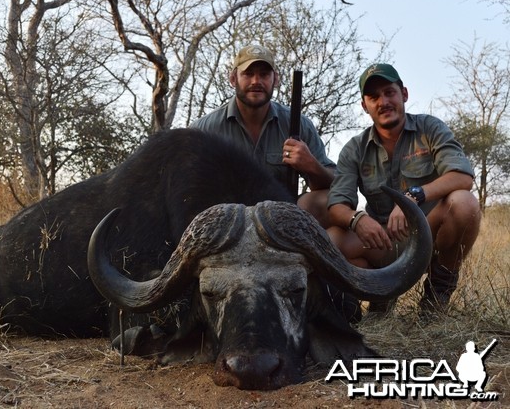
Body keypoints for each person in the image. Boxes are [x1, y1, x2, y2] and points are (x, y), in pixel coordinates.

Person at [326, 63, 481, 317]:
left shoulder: (430, 128)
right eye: (374, 97)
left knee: (465, 204)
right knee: (332, 239)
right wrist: (357, 220)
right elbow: (336, 207)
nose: (383, 102)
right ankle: (378, 298)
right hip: (384, 240)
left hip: (428, 233)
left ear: (404, 94)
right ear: (365, 106)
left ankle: (435, 300)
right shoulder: (354, 149)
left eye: (389, 92)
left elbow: (462, 177)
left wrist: (413, 198)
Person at [189, 44, 335, 227]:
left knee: (331, 199)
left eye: (264, 74)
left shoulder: (299, 124)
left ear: (276, 80)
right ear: (233, 78)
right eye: (248, 74)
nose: (256, 81)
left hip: (283, 225)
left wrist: (311, 165)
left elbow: (336, 184)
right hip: (226, 226)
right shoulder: (203, 130)